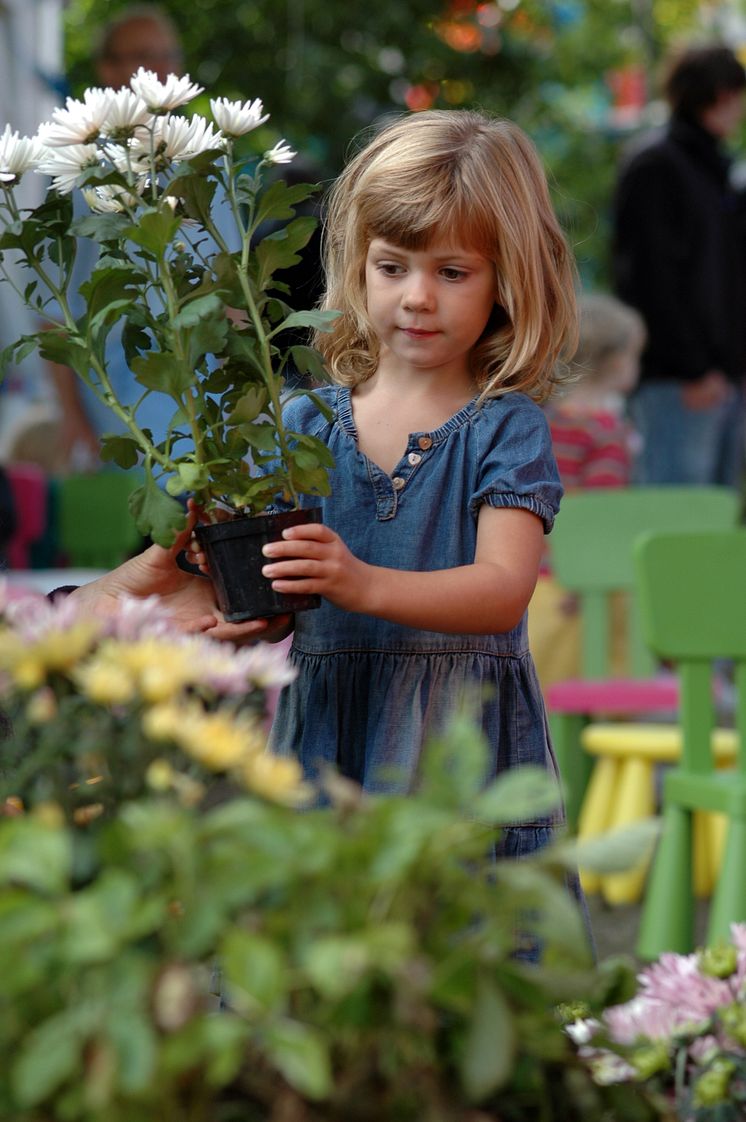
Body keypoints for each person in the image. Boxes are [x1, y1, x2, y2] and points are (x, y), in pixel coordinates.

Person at [190, 109, 579, 877]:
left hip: (460, 751)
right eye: (392, 266)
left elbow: (503, 591)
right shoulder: (303, 422)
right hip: (331, 735)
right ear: (357, 266)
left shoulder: (504, 429)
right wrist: (248, 617)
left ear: (509, 280)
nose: (417, 298)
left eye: (453, 272)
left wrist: (361, 583)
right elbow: (292, 593)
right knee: (329, 954)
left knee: (453, 960)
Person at [46, 5, 187, 469]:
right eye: (145, 55)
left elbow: (232, 295)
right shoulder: (80, 177)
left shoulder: (200, 166)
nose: (162, 68)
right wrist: (72, 417)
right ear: (109, 71)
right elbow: (54, 311)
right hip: (121, 420)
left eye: (169, 54)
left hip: (205, 414)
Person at [612, 43, 746, 488]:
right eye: (733, 95)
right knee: (677, 515)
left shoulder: (716, 170)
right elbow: (648, 279)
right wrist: (692, 368)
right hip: (680, 382)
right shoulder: (656, 165)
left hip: (723, 378)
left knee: (715, 523)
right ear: (717, 94)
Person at [529, 292, 645, 687]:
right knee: (599, 695)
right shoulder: (607, 431)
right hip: (581, 590)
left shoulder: (540, 422)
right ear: (616, 363)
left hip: (535, 582)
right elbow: (600, 514)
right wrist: (583, 575)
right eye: (636, 357)